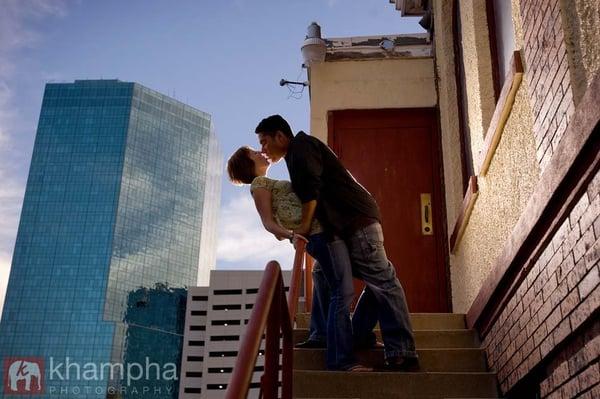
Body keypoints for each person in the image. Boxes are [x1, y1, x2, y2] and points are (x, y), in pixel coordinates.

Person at [255, 114, 419, 371]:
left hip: (357, 222)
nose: (263, 149)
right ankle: (353, 335)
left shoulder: (301, 147)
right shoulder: (295, 154)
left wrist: (304, 227)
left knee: (384, 282)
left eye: (265, 142)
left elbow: (312, 189)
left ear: (279, 136)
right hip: (344, 227)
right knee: (330, 275)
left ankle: (400, 351)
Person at [226, 146, 371, 372]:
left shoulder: (268, 183)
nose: (260, 152)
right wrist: (293, 235)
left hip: (323, 233)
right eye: (254, 153)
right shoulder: (259, 185)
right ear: (248, 165)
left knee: (341, 283)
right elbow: (269, 224)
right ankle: (341, 359)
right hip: (318, 236)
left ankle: (326, 335)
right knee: (343, 292)